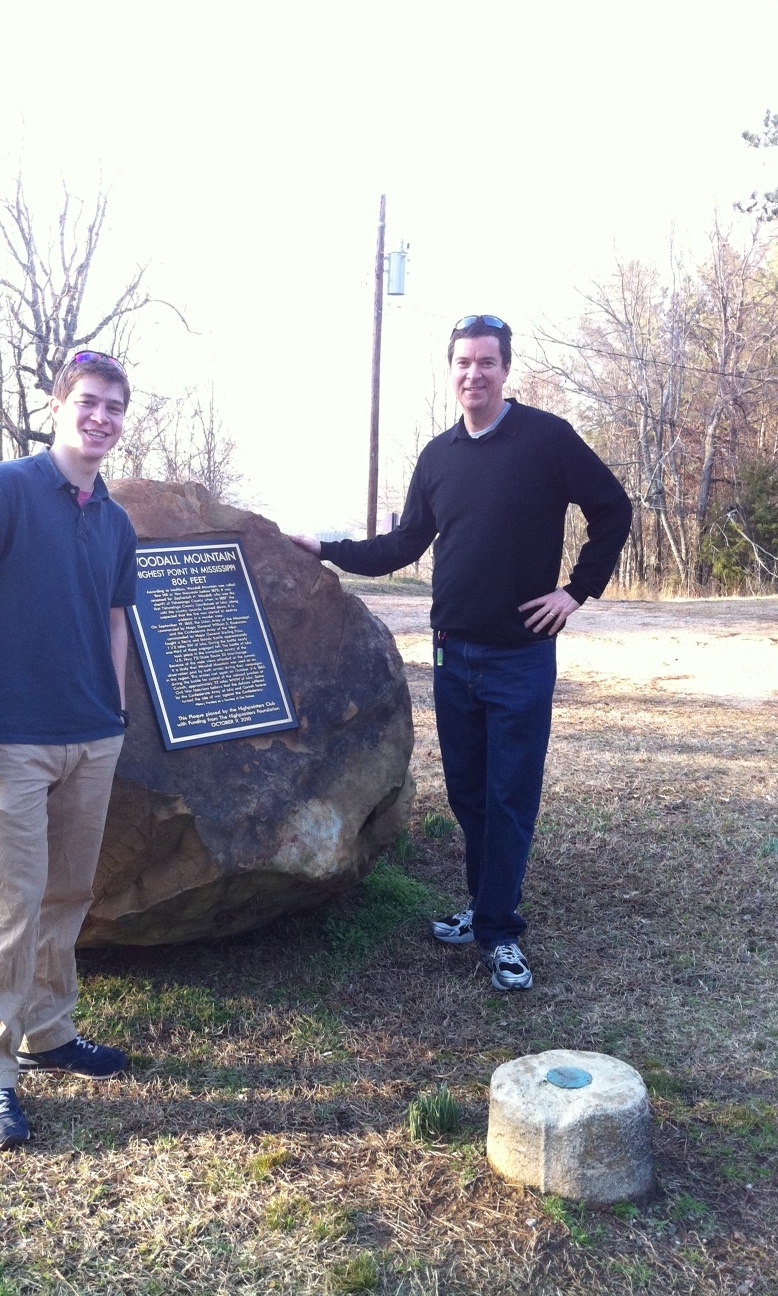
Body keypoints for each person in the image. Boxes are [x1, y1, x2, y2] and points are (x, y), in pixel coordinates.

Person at [291, 315, 631, 992]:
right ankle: (484, 908)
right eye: (463, 363)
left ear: (506, 369)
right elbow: (402, 546)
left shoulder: (546, 440)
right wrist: (325, 549)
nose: (473, 373)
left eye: (486, 362)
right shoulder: (439, 456)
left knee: (509, 797)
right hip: (453, 658)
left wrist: (575, 592)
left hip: (519, 660)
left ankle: (500, 932)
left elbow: (612, 508)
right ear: (451, 372)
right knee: (471, 795)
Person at [0, 351, 138, 1150]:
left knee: (67, 896)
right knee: (11, 905)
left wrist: (112, 709)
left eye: (115, 407)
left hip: (91, 739)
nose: (101, 417)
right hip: (8, 741)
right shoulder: (5, 488)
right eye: (88, 402)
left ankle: (50, 1031)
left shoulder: (113, 519)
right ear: (59, 406)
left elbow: (117, 618)